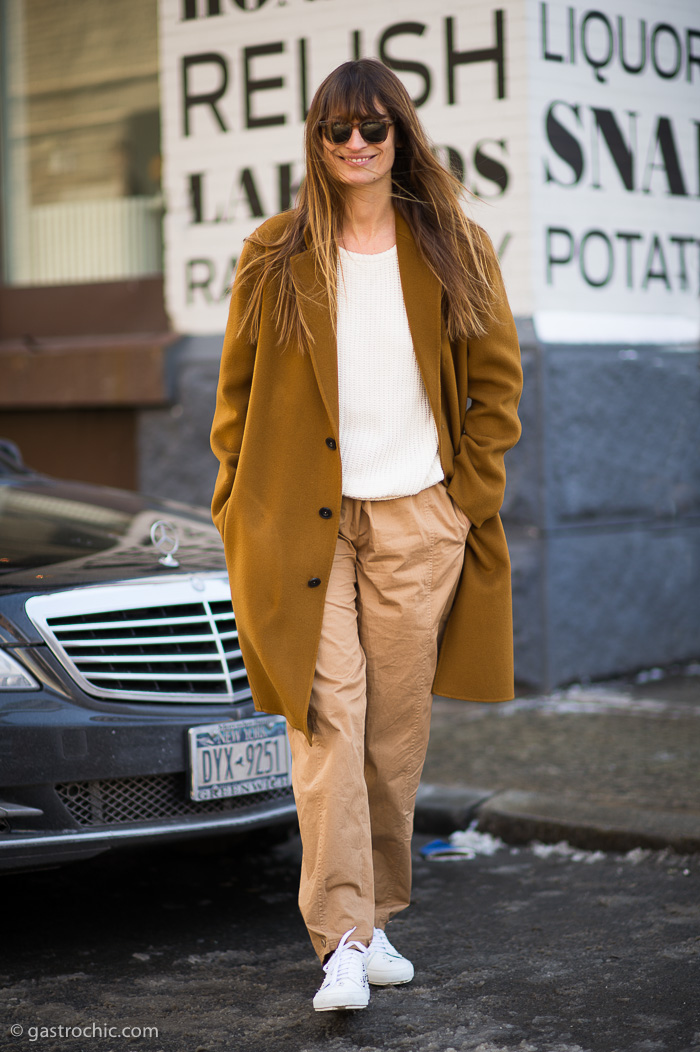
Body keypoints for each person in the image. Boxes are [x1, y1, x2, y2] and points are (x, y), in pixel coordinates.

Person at [210, 58, 522, 1012]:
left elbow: (496, 388)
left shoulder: (453, 246)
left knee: (393, 739)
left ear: (400, 138)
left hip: (417, 519)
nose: (355, 145)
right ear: (316, 142)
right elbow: (234, 400)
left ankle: (374, 922)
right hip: (304, 528)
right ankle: (341, 941)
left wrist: (461, 499)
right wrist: (235, 502)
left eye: (373, 129)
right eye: (337, 130)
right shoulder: (275, 252)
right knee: (328, 725)